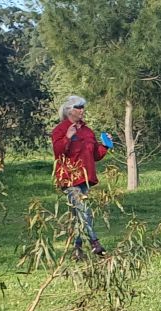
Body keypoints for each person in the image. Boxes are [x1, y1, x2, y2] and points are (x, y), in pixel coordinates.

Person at [51, 95, 110, 257]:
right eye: (79, 107)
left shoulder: (87, 131)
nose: (82, 110)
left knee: (78, 214)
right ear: (70, 110)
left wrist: (105, 145)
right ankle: (95, 243)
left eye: (83, 107)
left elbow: (95, 155)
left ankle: (77, 250)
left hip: (85, 177)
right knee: (84, 210)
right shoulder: (60, 130)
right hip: (69, 178)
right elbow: (58, 152)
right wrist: (68, 138)